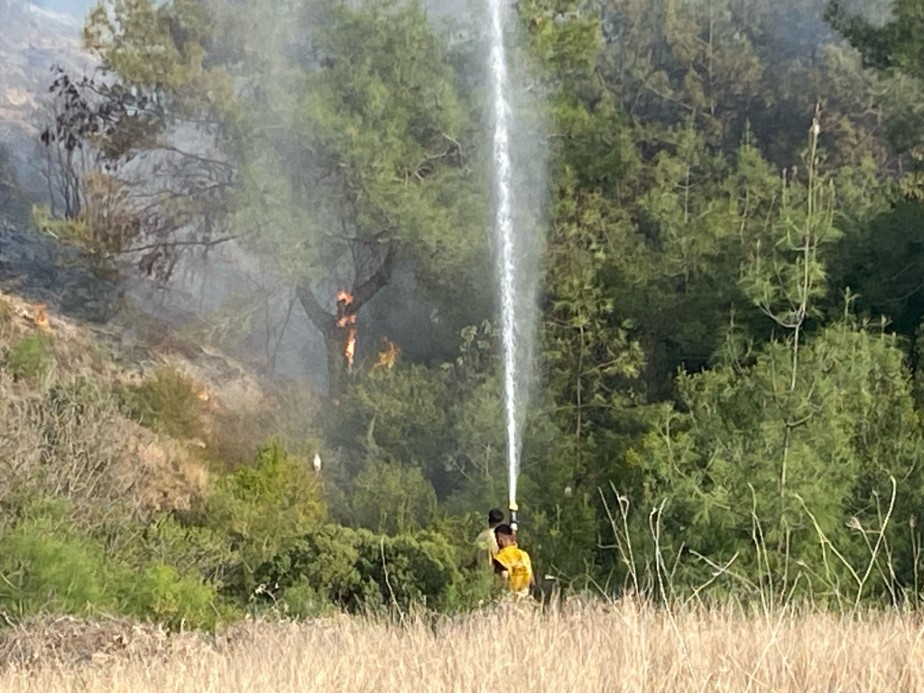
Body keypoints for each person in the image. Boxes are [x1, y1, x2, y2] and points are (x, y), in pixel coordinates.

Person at [492, 523, 534, 597]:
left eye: (496, 539)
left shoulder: (500, 558)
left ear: (499, 539)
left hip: (509, 599)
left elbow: (502, 579)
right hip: (525, 597)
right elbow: (532, 581)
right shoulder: (524, 555)